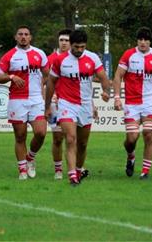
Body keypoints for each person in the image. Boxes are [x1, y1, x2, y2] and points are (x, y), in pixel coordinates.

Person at [45, 30, 110, 186]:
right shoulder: (61, 60)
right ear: (71, 45)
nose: (79, 50)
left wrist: (106, 92)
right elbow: (51, 82)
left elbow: (103, 77)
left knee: (82, 144)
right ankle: (72, 175)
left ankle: (79, 170)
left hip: (85, 105)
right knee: (70, 138)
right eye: (76, 47)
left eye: (82, 47)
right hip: (67, 104)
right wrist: (47, 106)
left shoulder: (93, 58)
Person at [113, 27, 152, 180]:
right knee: (131, 138)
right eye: (140, 39)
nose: (143, 42)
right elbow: (118, 75)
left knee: (148, 134)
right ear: (137, 41)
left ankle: (145, 171)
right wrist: (116, 97)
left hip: (149, 103)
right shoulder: (129, 55)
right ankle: (131, 156)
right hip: (132, 103)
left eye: (146, 40)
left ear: (150, 41)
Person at [0, 25, 49, 180]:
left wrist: (41, 88)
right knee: (20, 136)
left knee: (41, 133)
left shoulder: (40, 54)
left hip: (36, 99)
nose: (23, 37)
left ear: (30, 37)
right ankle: (22, 170)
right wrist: (11, 77)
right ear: (16, 37)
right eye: (20, 34)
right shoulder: (9, 56)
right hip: (17, 100)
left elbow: (49, 75)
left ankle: (30, 157)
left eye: (26, 34)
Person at [46, 29, 72, 180]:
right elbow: (44, 81)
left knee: (73, 137)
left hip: (74, 103)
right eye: (61, 40)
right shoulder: (49, 59)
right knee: (57, 137)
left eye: (67, 40)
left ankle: (75, 167)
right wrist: (48, 102)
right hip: (56, 103)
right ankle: (58, 169)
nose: (64, 43)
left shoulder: (77, 59)